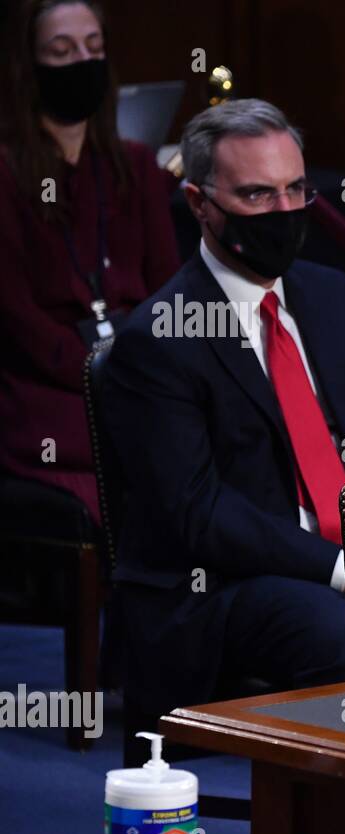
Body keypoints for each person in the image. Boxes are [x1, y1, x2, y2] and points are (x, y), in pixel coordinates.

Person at [101, 99, 345, 717]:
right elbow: (200, 515)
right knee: (341, 632)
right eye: (257, 196)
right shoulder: (159, 337)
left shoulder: (336, 298)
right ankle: (342, 813)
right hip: (223, 587)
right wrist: (339, 567)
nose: (285, 213)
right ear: (199, 204)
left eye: (296, 189)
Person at [0, 0, 179, 519]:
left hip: (136, 367)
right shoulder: (9, 176)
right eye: (62, 50)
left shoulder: (136, 166)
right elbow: (16, 318)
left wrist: (144, 365)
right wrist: (102, 372)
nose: (82, 60)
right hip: (47, 389)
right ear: (30, 67)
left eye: (93, 48)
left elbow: (167, 290)